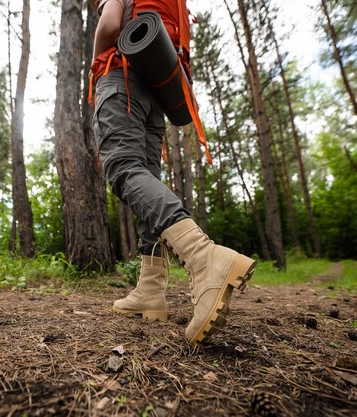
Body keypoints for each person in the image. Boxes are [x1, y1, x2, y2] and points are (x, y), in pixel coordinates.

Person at [89, 0, 256, 345]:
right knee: (145, 175)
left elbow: (108, 26)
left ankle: (203, 256)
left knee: (123, 168)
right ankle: (150, 290)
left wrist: (95, 65)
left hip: (120, 78)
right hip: (155, 96)